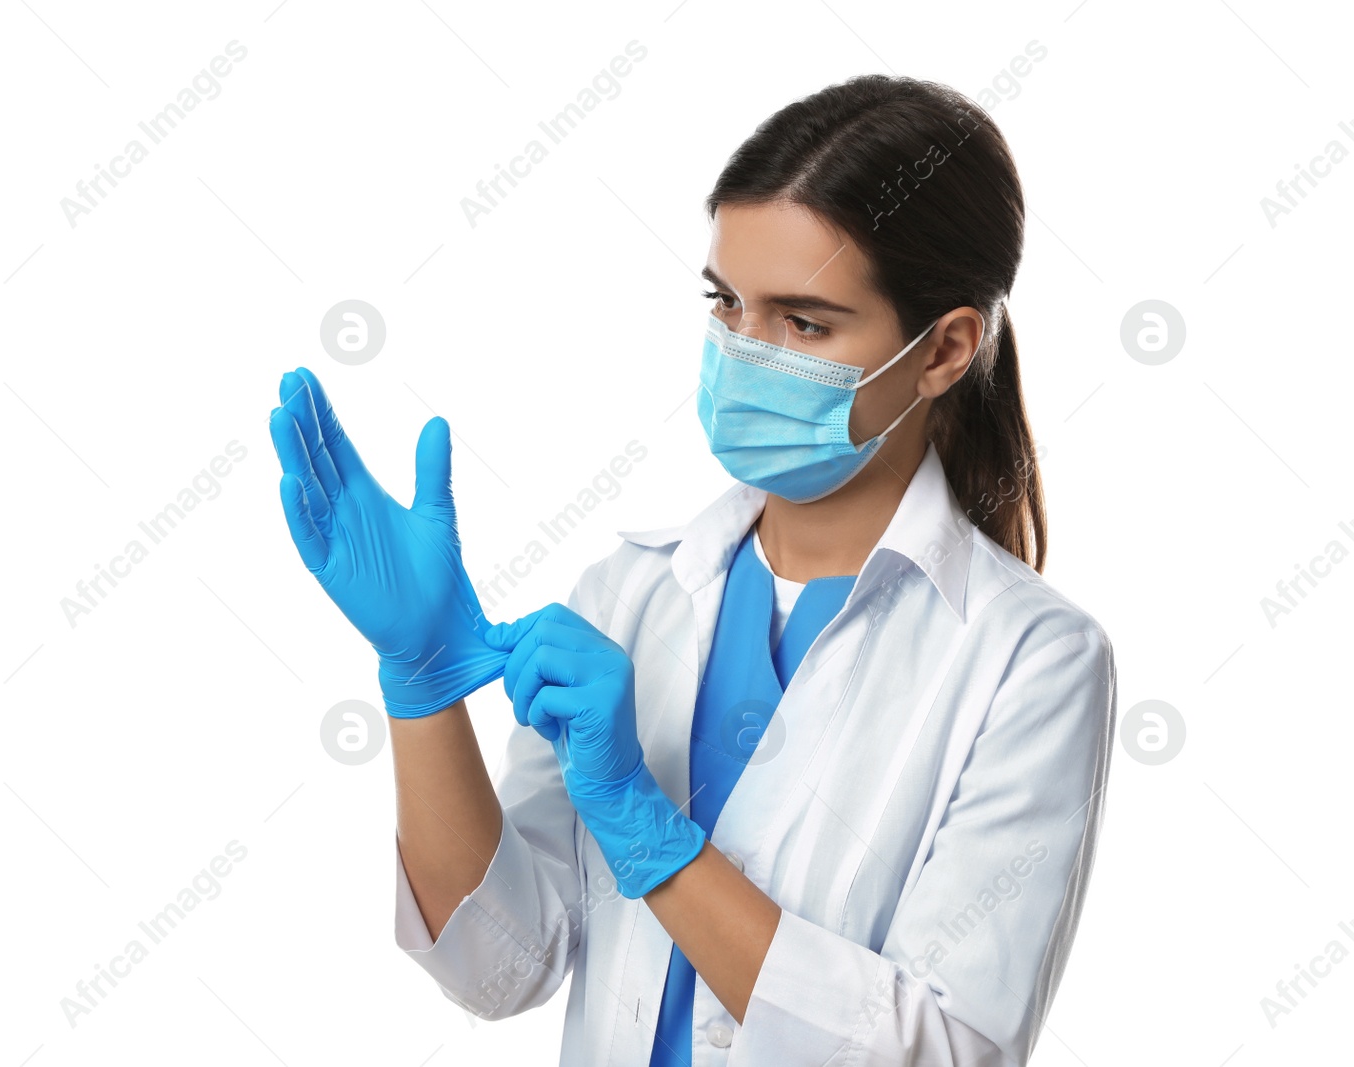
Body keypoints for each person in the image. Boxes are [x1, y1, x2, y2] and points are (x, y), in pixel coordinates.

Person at [267, 72, 1117, 1067]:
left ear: (943, 350)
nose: (743, 354)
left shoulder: (1031, 662)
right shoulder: (629, 596)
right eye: (727, 303)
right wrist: (420, 687)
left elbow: (940, 1051)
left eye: (803, 323)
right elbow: (500, 969)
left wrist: (646, 825)